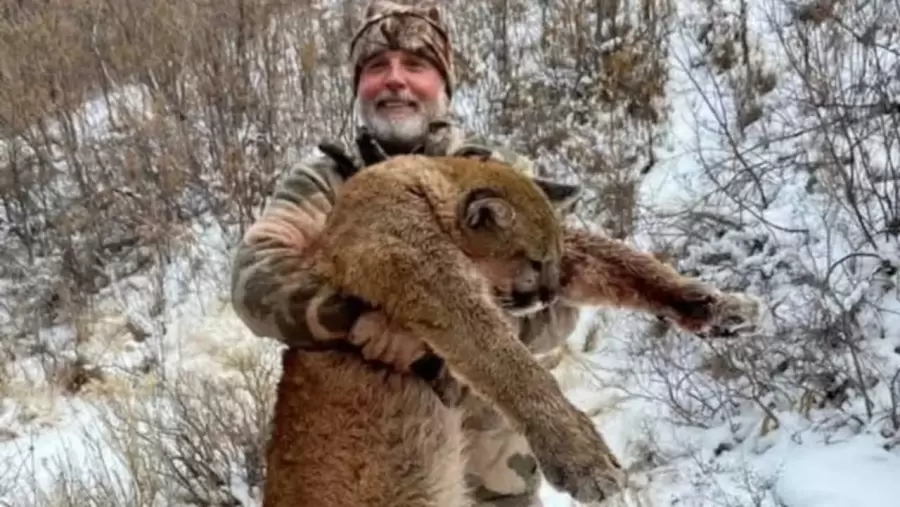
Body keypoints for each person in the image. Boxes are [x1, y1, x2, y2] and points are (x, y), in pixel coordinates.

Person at [230, 1, 582, 505]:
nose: (394, 79)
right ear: (359, 87)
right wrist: (358, 318)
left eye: (415, 65)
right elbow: (255, 282)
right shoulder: (324, 183)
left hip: (494, 481)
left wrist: (430, 332)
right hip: (367, 478)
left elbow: (561, 307)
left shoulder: (501, 180)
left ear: (443, 86)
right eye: (377, 67)